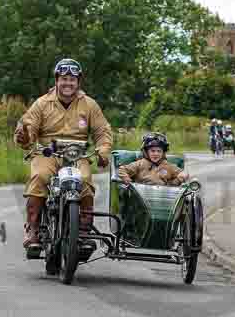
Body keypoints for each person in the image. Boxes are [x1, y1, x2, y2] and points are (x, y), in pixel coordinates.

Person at [13, 58, 112, 255]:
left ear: (78, 82)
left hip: (77, 153)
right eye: (64, 79)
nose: (68, 83)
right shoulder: (42, 103)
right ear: (57, 80)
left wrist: (103, 150)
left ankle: (83, 232)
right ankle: (32, 230)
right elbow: (29, 128)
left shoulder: (90, 105)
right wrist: (24, 136)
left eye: (72, 79)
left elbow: (102, 131)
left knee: (84, 181)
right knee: (40, 177)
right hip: (48, 152)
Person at [118, 132, 189, 186]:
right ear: (146, 152)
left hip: (162, 196)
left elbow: (182, 173)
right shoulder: (139, 164)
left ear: (163, 153)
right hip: (141, 196)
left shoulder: (168, 166)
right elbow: (122, 170)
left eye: (159, 151)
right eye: (152, 151)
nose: (156, 154)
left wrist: (182, 176)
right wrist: (127, 180)